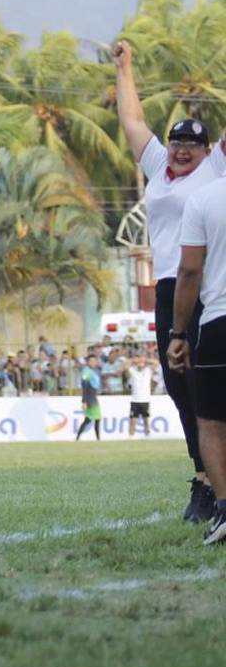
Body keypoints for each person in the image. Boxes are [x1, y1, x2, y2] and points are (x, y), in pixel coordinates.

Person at [115, 40, 226, 521]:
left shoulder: (216, 169)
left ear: (208, 150)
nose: (181, 150)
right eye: (176, 142)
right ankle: (202, 480)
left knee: (209, 388)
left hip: (205, 288)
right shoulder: (158, 169)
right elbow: (132, 121)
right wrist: (124, 68)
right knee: (181, 389)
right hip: (167, 288)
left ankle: (216, 485)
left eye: (191, 145)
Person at [167, 170, 226, 544]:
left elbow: (190, 270)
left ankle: (225, 510)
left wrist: (178, 332)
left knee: (212, 423)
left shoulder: (204, 198)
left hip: (220, 320)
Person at [127, 354, 156, 438]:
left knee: (146, 420)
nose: (140, 363)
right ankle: (131, 437)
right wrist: (133, 360)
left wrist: (145, 359)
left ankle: (147, 436)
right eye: (139, 362)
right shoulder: (133, 371)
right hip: (135, 400)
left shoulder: (148, 370)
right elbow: (124, 365)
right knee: (133, 420)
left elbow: (156, 363)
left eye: (141, 362)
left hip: (145, 400)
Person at [76, 354, 103, 441]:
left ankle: (77, 438)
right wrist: (84, 401)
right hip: (90, 397)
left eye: (94, 361)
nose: (93, 363)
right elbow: (85, 386)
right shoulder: (86, 371)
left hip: (93, 396)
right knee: (97, 418)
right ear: (87, 362)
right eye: (91, 361)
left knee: (88, 419)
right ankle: (98, 439)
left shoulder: (92, 371)